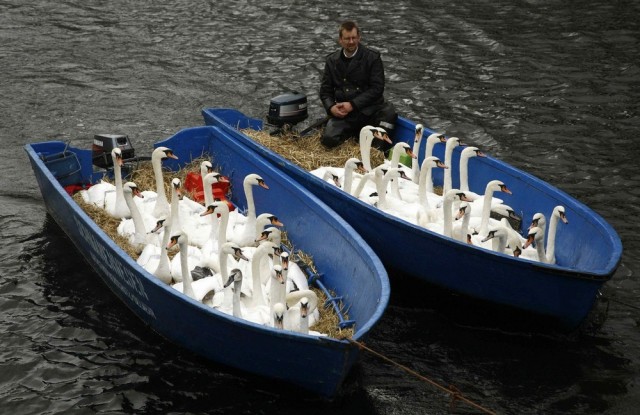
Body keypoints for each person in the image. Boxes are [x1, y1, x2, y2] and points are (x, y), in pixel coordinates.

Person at [319, 20, 398, 150]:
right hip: (345, 114)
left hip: (370, 111)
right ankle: (354, 136)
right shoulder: (332, 61)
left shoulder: (372, 58)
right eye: (347, 38)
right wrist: (331, 107)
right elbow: (325, 92)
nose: (351, 42)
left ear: (359, 37)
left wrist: (353, 104)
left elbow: (377, 89)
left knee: (388, 115)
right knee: (328, 140)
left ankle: (374, 148)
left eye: (354, 38)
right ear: (340, 40)